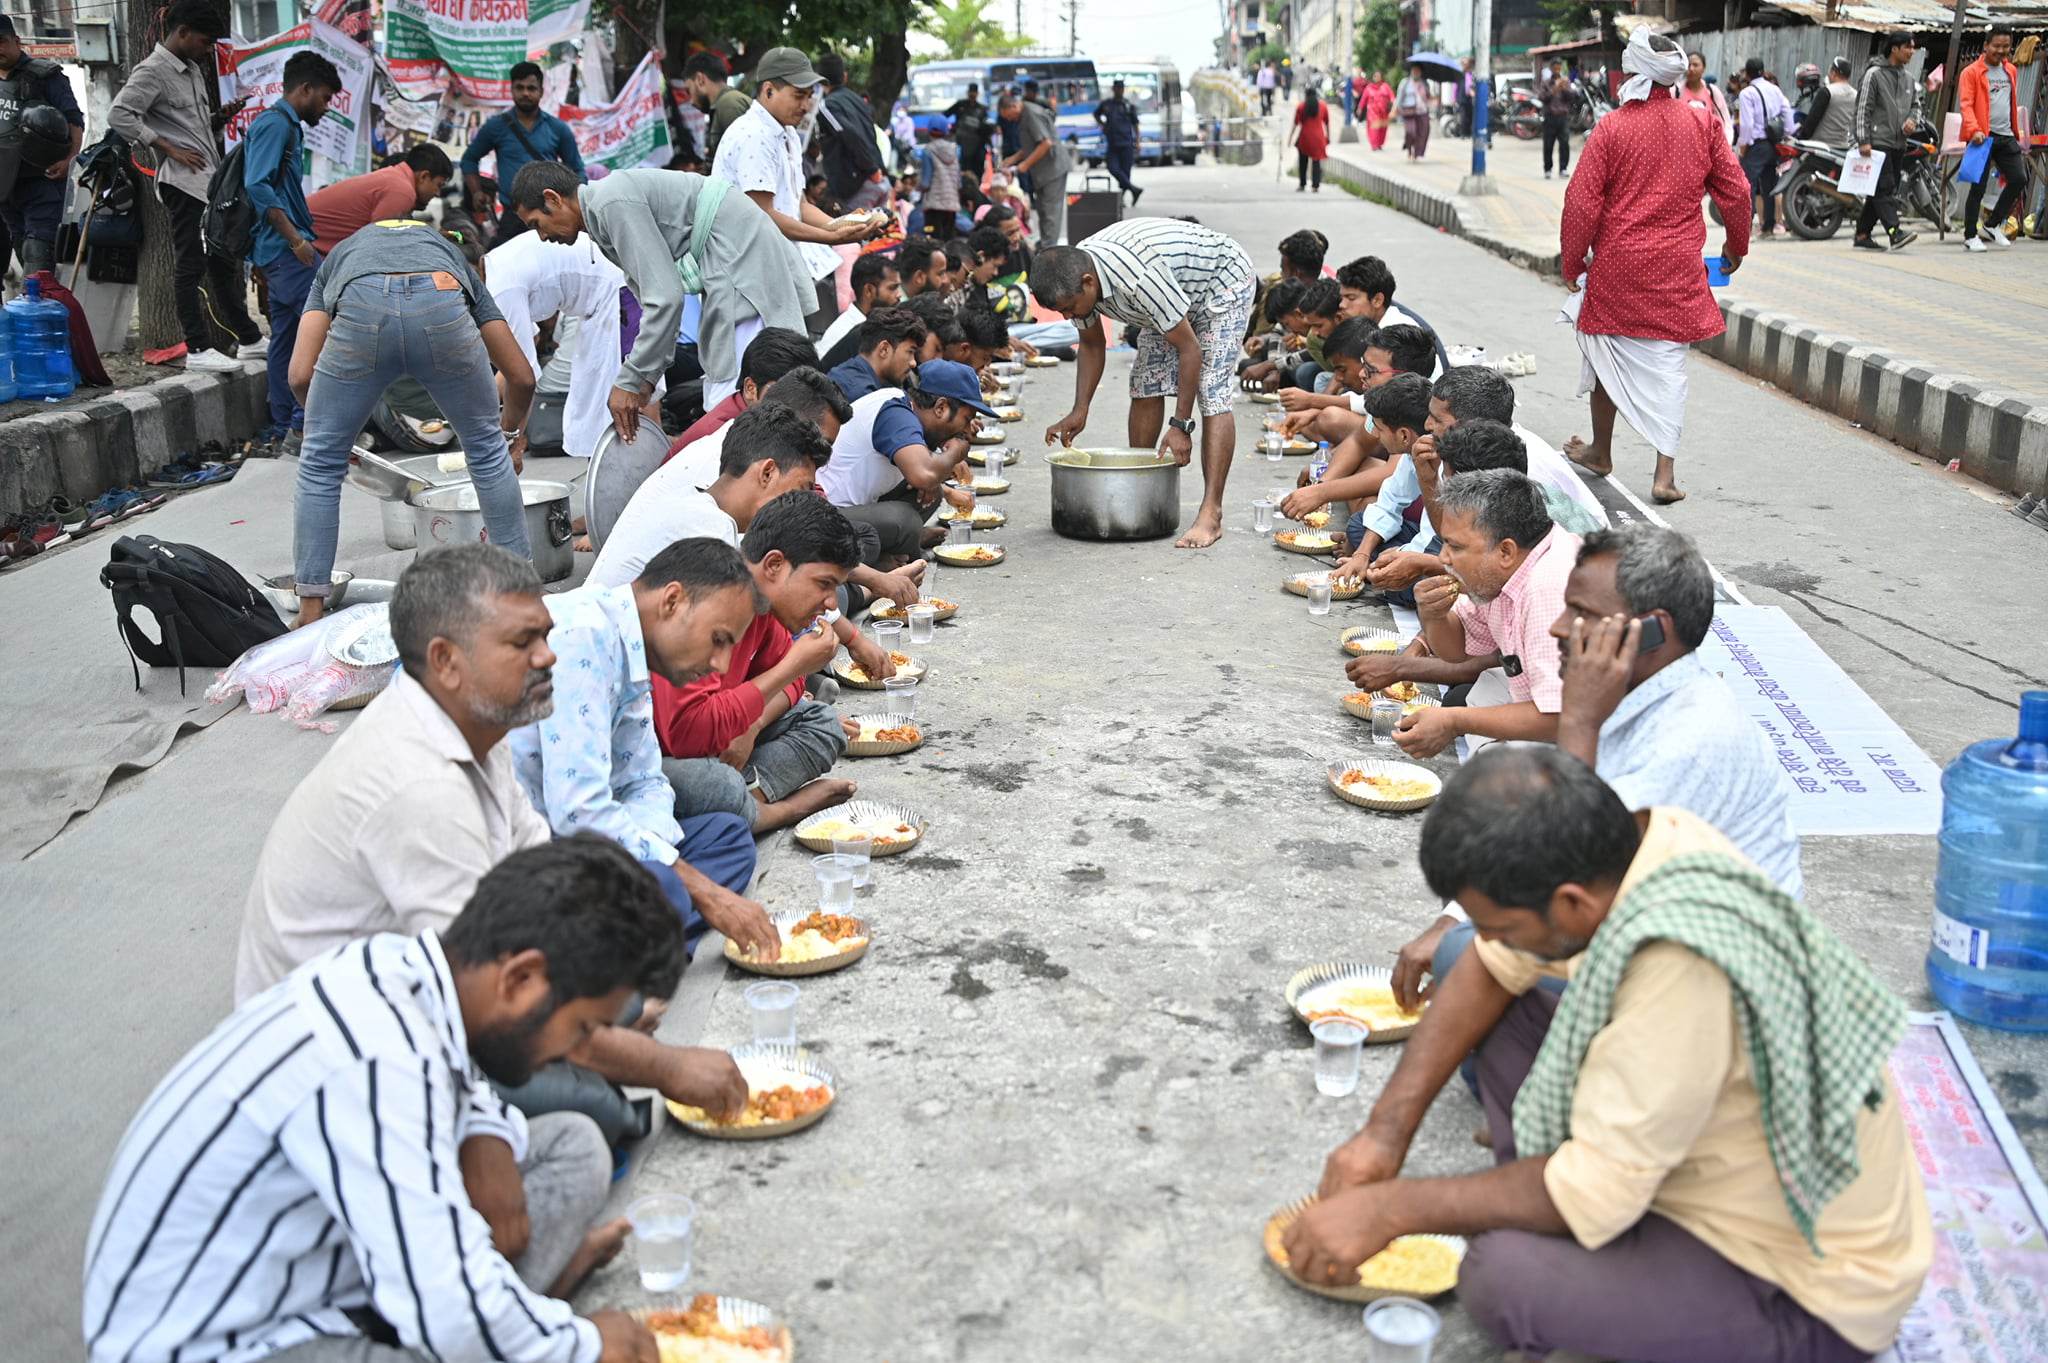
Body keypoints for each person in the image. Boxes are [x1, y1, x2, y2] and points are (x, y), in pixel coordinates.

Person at [1293, 746, 1930, 1363]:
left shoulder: (1680, 963)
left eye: (1504, 925)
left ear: (1572, 902)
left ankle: (1609, 1261)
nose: (1494, 940)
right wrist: (1383, 1134)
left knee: (1501, 1277)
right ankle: (1569, 1223)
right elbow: (1488, 965)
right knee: (1471, 966)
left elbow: (1594, 1188)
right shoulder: (1645, 839)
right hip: (1684, 1156)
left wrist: (1391, 1208)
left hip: (1799, 1284)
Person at [86, 836, 713, 1363]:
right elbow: (445, 1298)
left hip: (335, 1273)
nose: (574, 1052)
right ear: (520, 979)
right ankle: (512, 1327)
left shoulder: (410, 974)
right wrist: (583, 1347)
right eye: (580, 1031)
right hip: (231, 1340)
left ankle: (509, 1322)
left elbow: (461, 1095)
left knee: (572, 1144)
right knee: (476, 1323)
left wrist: (483, 1131)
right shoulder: (374, 1054)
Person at [234, 546, 748, 1142]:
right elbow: (475, 1004)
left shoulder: (480, 728)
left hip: (453, 984)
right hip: (349, 1058)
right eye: (522, 643)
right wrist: (663, 1065)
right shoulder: (419, 786)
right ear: (447, 661)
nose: (549, 656)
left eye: (545, 636)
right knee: (592, 1118)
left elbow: (539, 864)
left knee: (615, 1000)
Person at [1388, 522, 1804, 1007]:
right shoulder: (1630, 692)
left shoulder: (1691, 737)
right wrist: (1453, 919)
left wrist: (1579, 722)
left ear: (1649, 634)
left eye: (1581, 614)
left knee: (1470, 950)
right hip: (1642, 921)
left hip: (1717, 981)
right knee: (1470, 916)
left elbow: (1569, 856)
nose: (1559, 628)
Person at [508, 538, 776, 960]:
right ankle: (621, 959)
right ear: (672, 600)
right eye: (719, 639)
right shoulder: (582, 636)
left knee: (728, 836)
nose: (722, 665)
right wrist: (695, 886)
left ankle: (636, 942)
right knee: (677, 880)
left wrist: (652, 854)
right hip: (534, 851)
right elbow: (577, 812)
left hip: (593, 847)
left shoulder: (631, 645)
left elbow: (646, 780)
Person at [287, 218, 534, 626]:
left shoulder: (341, 257)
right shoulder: (453, 261)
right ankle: (522, 596)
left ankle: (311, 609)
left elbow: (299, 375)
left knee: (318, 466)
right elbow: (522, 377)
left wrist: (327, 430)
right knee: (487, 453)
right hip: (441, 305)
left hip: (360, 307)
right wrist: (508, 434)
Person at [1560, 29, 1752, 507]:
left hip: (1618, 269)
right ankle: (1663, 475)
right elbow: (1739, 192)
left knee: (1606, 358)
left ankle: (1601, 451)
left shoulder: (1612, 128)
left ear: (1632, 73)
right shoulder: (1703, 123)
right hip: (1677, 269)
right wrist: (1737, 247)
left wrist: (1572, 258)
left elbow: (1581, 201)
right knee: (1669, 367)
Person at [513, 162, 815, 425]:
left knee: (740, 397)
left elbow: (664, 298)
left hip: (740, 254)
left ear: (552, 199)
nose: (542, 236)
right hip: (731, 252)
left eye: (537, 224)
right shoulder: (602, 211)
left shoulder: (609, 202)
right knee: (734, 395)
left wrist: (632, 379)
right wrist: (645, 376)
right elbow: (654, 298)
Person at [1032, 219, 1259, 549]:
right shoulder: (1077, 279)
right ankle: (1139, 490)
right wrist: (1079, 410)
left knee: (1212, 389)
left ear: (1088, 282)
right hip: (1170, 294)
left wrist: (1180, 425)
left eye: (1068, 309)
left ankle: (1212, 513)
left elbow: (1190, 349)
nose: (1068, 317)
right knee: (1145, 382)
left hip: (1220, 282)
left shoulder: (1136, 278)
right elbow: (1093, 344)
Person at [658, 491, 862, 829]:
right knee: (714, 784)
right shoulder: (706, 605)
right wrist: (794, 665)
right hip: (664, 755)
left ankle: (747, 800)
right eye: (824, 584)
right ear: (774, 565)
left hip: (717, 742)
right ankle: (775, 812)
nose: (829, 603)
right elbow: (691, 735)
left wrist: (752, 726)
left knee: (822, 721)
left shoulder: (765, 607)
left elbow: (795, 685)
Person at [103, 0, 260, 371]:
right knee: (190, 264)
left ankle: (250, 339)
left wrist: (219, 118)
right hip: (181, 184)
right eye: (205, 42)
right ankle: (197, 348)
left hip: (207, 182)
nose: (208, 51)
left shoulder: (190, 69)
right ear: (183, 32)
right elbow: (119, 115)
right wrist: (167, 147)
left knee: (222, 262)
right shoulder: (152, 70)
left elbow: (190, 125)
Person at [1391, 470, 1577, 759]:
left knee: (1468, 712)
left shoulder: (1547, 588)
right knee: (1483, 689)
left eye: (1455, 546)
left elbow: (1560, 715)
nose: (1442, 559)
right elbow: (1457, 650)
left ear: (1505, 551)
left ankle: (1499, 769)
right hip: (1550, 699)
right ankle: (1494, 758)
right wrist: (1433, 615)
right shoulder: (1501, 571)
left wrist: (1454, 721)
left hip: (1587, 728)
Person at [592, 399, 831, 590]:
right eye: (800, 490)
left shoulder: (697, 505)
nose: (799, 505)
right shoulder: (708, 528)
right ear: (767, 472)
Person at [714, 46, 876, 300]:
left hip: (773, 266)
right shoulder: (755, 134)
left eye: (810, 96)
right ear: (768, 90)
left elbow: (797, 203)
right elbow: (764, 215)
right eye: (799, 95)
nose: (806, 105)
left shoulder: (787, 132)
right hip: (743, 274)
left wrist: (842, 225)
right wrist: (829, 236)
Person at [245, 51, 342, 452]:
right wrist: (296, 240)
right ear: (304, 89)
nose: (325, 106)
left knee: (286, 336)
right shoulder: (275, 124)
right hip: (286, 249)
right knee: (325, 331)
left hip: (278, 249)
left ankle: (287, 424)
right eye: (324, 98)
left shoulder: (286, 126)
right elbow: (257, 185)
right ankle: (305, 426)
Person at [818, 358, 990, 563]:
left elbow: (925, 475)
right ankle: (889, 556)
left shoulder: (910, 411)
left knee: (932, 492)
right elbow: (923, 475)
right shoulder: (895, 413)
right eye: (966, 419)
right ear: (941, 407)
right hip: (826, 513)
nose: (968, 430)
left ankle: (895, 549)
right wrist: (956, 452)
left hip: (858, 508)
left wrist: (936, 481)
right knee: (904, 520)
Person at [486, 228, 628, 462]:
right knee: (603, 416)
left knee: (624, 411)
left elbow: (523, 376)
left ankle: (641, 486)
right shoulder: (496, 268)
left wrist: (511, 440)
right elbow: (519, 357)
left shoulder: (500, 290)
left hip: (615, 292)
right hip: (600, 297)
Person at [461, 61, 586, 243]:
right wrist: (476, 192)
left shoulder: (558, 129)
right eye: (519, 88)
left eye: (531, 88)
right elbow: (469, 160)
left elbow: (577, 170)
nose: (525, 93)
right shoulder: (496, 126)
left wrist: (574, 209)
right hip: (513, 218)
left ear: (541, 91)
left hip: (550, 216)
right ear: (511, 90)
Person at [0, 11, 83, 277]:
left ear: (17, 40)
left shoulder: (45, 75)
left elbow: (73, 119)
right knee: (23, 249)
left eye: (1, 41)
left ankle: (45, 312)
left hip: (41, 182)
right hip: (5, 188)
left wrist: (69, 158)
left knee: (38, 255)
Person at [667, 326, 818, 457]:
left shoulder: (760, 420)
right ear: (750, 389)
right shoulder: (724, 436)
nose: (796, 405)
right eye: (785, 394)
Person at [1852, 33, 1922, 253]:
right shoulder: (1874, 74)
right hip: (1877, 141)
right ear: (1894, 49)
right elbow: (1863, 108)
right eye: (1907, 47)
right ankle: (1895, 232)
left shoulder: (1909, 79)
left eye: (1913, 48)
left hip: (1898, 143)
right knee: (1884, 188)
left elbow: (1917, 106)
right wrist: (1863, 140)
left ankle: (1863, 234)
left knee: (1883, 187)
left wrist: (1912, 120)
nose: (1912, 52)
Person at [308, 144, 453, 251]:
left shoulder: (395, 178)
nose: (437, 193)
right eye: (439, 185)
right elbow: (379, 247)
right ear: (424, 176)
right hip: (300, 242)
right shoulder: (402, 191)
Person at [1959, 27, 2027, 253]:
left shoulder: (2011, 71)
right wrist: (1973, 129)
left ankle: (1992, 224)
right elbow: (1966, 104)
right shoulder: (1971, 72)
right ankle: (1970, 235)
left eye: (2005, 46)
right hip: (1982, 136)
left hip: (2006, 135)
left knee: (2019, 178)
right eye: (1996, 46)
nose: (2001, 51)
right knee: (1977, 188)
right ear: (1986, 46)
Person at [1334, 254, 1448, 375]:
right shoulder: (1376, 321)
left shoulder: (1396, 332)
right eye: (1342, 298)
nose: (1342, 305)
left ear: (1377, 300)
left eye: (1351, 298)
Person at [817, 50, 888, 211]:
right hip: (877, 176)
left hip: (857, 182)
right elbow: (869, 132)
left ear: (820, 80)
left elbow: (849, 134)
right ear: (845, 76)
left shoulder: (827, 105)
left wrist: (870, 169)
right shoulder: (858, 100)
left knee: (851, 232)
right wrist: (877, 168)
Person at [998, 89, 1067, 247]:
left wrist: (1024, 165)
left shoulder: (1031, 114)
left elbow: (1045, 143)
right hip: (1043, 172)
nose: (1009, 119)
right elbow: (1032, 145)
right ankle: (1045, 244)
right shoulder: (1024, 115)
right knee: (1042, 209)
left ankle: (1050, 248)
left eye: (1008, 115)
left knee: (1050, 212)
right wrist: (1013, 159)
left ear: (1013, 106)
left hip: (1053, 169)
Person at [1736, 57, 1791, 238]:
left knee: (1747, 185)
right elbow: (1786, 110)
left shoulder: (1747, 93)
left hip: (1756, 144)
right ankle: (1768, 226)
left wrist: (1743, 146)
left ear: (1747, 73)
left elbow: (1747, 124)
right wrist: (1788, 133)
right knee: (1769, 185)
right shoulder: (1775, 89)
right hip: (1774, 143)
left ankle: (1747, 226)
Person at [817, 253, 903, 369]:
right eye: (892, 288)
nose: (899, 295)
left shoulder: (878, 325)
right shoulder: (842, 333)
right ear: (869, 290)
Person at [827, 305, 927, 401]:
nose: (913, 363)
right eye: (910, 352)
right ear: (884, 349)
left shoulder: (846, 373)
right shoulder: (863, 396)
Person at [684, 48, 751, 164]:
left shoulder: (729, 104)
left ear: (700, 80)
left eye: (689, 90)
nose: (691, 101)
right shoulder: (725, 104)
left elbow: (748, 160)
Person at [1095, 78, 1143, 205]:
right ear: (1113, 89)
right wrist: (1102, 124)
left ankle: (1122, 198)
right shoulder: (1107, 104)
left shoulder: (1128, 105)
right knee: (1113, 169)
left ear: (1123, 89)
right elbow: (1096, 114)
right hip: (1113, 143)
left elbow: (1136, 125)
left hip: (1126, 144)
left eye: (1121, 88)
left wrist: (1138, 141)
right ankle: (1133, 189)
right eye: (1117, 88)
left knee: (1125, 172)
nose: (1119, 90)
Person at [947, 82, 993, 190]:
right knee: (965, 170)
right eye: (971, 92)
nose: (972, 94)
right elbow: (945, 115)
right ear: (968, 93)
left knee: (978, 170)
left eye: (974, 92)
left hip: (978, 146)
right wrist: (953, 129)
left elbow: (988, 128)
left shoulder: (982, 109)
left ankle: (976, 189)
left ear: (977, 94)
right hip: (963, 145)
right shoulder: (960, 105)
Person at [1807, 56, 1859, 150]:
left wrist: (1800, 139)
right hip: (1842, 147)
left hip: (1819, 146)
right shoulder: (1855, 95)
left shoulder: (1827, 91)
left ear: (1833, 73)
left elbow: (1812, 120)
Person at [1680, 52, 1733, 141]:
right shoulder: (1676, 92)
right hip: (1683, 145)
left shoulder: (1712, 92)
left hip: (1708, 146)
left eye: (1695, 65)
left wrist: (1727, 143)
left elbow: (1725, 120)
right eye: (1688, 65)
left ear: (1704, 68)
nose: (1691, 69)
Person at [922, 122, 963, 236]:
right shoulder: (955, 151)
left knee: (933, 237)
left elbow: (926, 182)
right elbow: (959, 182)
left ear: (929, 131)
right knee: (948, 236)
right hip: (951, 204)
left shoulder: (928, 150)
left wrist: (918, 189)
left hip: (933, 205)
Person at [1290, 82, 1332, 192]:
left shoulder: (1301, 106)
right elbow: (1327, 122)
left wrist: (1290, 137)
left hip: (1305, 137)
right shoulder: (1323, 106)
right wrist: (1328, 136)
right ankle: (1315, 186)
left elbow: (1295, 123)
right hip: (1319, 137)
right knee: (1316, 161)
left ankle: (1302, 184)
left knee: (1302, 161)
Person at [1541, 59, 1574, 179]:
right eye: (1555, 68)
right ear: (1551, 69)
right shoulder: (1546, 83)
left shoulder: (1565, 81)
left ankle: (1563, 168)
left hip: (1563, 117)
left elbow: (1571, 97)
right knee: (1548, 144)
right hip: (1550, 117)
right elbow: (1543, 98)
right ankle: (1548, 169)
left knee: (1564, 143)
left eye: (1559, 68)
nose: (1557, 70)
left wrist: (1564, 88)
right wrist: (1554, 89)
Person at [1396, 65, 1431, 159]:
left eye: (1418, 71)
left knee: (1422, 133)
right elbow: (1399, 97)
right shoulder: (1405, 83)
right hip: (1409, 111)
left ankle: (1416, 152)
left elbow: (1428, 96)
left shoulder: (1424, 83)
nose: (1416, 72)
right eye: (1414, 70)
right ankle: (1408, 147)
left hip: (1422, 111)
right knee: (1410, 132)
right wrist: (1397, 109)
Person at [1361, 69, 1395, 151]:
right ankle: (1374, 144)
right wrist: (1360, 108)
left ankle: (1379, 144)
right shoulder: (1368, 88)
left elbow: (1392, 97)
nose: (1377, 78)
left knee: (1382, 129)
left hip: (1383, 112)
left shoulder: (1385, 86)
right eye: (1375, 76)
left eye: (1379, 76)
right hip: (1372, 112)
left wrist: (1394, 105)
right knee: (1374, 128)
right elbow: (1363, 99)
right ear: (1373, 77)